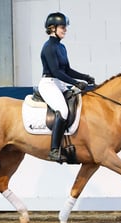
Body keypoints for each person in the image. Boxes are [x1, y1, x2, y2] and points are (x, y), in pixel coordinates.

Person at [38, 12, 95, 162]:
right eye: (62, 27)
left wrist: (85, 77)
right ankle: (54, 150)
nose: (65, 30)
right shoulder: (49, 47)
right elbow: (56, 71)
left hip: (60, 83)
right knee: (62, 111)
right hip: (49, 84)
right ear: (52, 28)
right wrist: (75, 83)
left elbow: (67, 70)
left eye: (65, 27)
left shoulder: (61, 47)